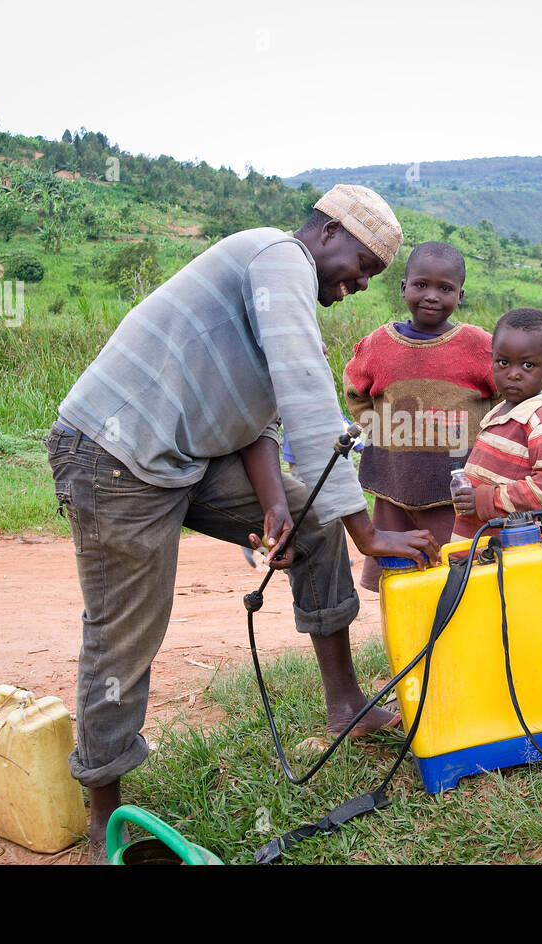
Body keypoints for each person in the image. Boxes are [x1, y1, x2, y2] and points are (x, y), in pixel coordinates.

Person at [45, 184, 438, 850]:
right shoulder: (277, 256)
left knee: (310, 523)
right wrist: (366, 532)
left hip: (186, 456)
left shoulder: (284, 289)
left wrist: (276, 504)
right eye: (363, 266)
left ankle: (345, 703)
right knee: (126, 630)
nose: (361, 285)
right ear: (329, 232)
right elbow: (307, 393)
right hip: (115, 456)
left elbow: (261, 417)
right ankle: (102, 811)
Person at [343, 241, 496, 590]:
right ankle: (406, 627)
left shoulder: (478, 345)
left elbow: (504, 398)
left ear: (460, 295)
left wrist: (490, 444)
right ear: (403, 287)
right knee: (398, 578)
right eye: (421, 284)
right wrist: (377, 428)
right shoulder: (379, 344)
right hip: (393, 485)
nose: (431, 296)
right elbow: (355, 389)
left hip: (456, 492)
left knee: (456, 576)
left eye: (445, 289)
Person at [450, 308, 542, 542]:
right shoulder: (501, 411)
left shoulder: (539, 420)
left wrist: (486, 499)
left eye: (528, 365)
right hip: (482, 546)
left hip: (512, 550)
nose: (513, 374)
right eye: (503, 362)